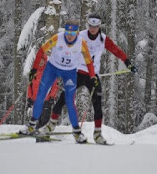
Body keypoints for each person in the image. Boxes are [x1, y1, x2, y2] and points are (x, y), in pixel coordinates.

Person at [41, 13, 137, 144]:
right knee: (63, 99)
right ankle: (49, 126)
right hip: (76, 72)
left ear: (99, 26)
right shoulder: (80, 36)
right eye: (91, 25)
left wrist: (128, 62)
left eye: (95, 26)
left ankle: (97, 135)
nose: (93, 29)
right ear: (88, 25)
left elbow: (116, 51)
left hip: (92, 76)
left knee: (97, 104)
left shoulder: (103, 39)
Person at [19, 19, 97, 143]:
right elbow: (41, 51)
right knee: (40, 95)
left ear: (77, 33)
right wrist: (34, 68)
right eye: (67, 32)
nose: (69, 36)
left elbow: (88, 62)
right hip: (52, 69)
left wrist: (92, 76)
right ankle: (31, 125)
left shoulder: (81, 43)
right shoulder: (57, 38)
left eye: (72, 33)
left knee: (70, 101)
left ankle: (77, 132)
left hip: (69, 72)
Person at [26, 54, 59, 128]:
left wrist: (51, 97)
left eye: (42, 60)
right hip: (36, 100)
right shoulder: (33, 72)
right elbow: (29, 86)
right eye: (39, 60)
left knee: (44, 120)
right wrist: (29, 98)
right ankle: (38, 137)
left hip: (46, 100)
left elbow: (55, 85)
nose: (41, 62)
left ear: (45, 61)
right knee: (37, 120)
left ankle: (44, 136)